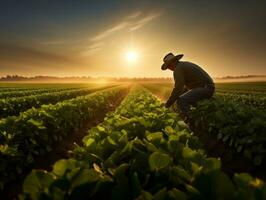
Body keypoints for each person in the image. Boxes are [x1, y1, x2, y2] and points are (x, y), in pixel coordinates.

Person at [161, 52, 215, 117]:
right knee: (185, 97)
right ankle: (196, 115)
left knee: (182, 100)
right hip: (207, 87)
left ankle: (187, 120)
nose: (169, 69)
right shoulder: (183, 65)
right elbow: (184, 88)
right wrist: (175, 98)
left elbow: (178, 87)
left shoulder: (178, 68)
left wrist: (168, 103)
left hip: (205, 89)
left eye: (168, 66)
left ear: (172, 63)